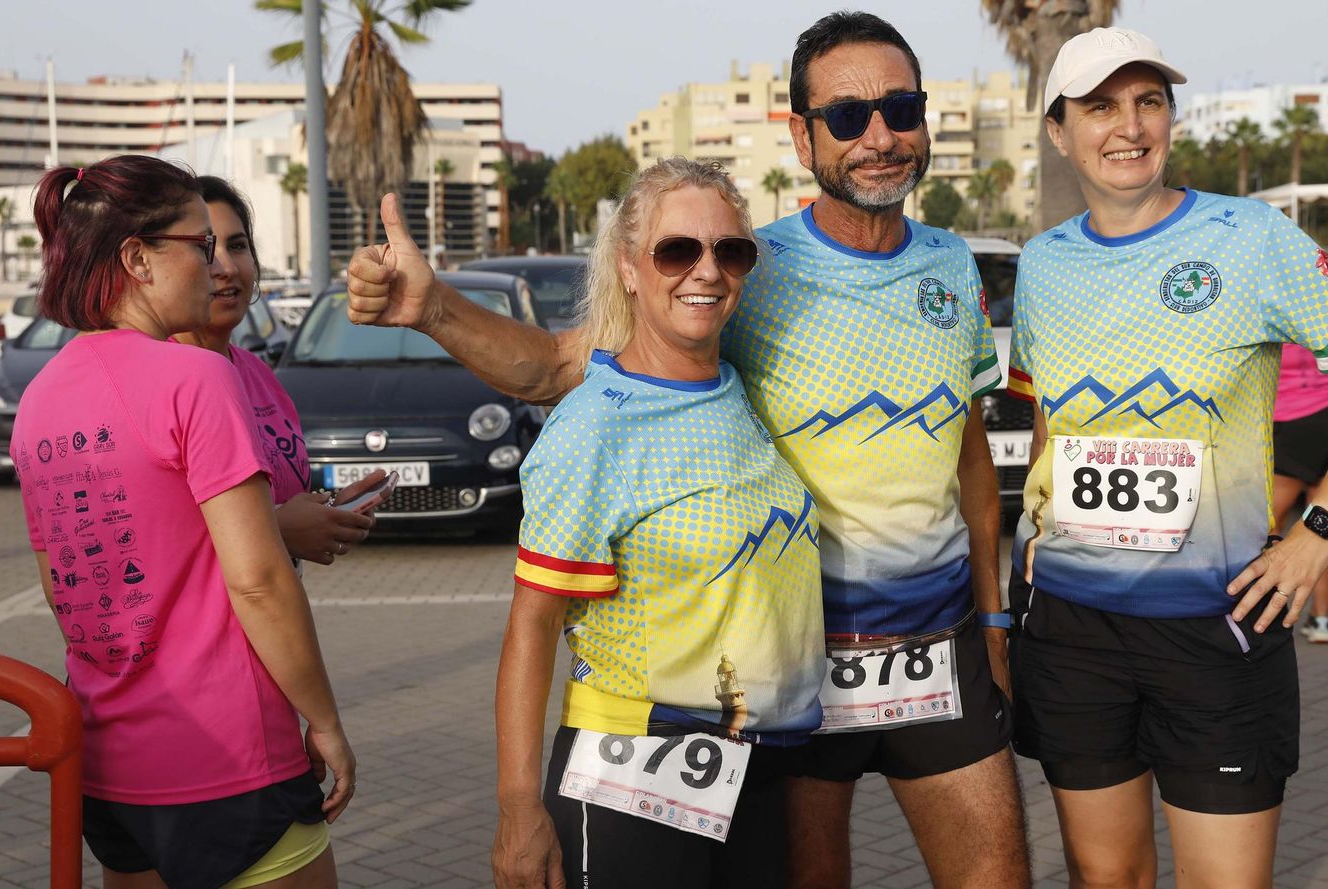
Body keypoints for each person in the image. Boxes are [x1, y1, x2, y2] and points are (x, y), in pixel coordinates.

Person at [347, 13, 1028, 886]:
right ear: (801, 134)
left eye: (901, 108)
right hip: (798, 675)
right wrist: (433, 306)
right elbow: (558, 363)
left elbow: (966, 449)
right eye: (850, 118)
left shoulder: (950, 266)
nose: (881, 137)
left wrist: (995, 613)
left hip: (939, 649)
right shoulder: (749, 264)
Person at [1003, 28, 1328, 888]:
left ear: (1169, 117)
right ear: (1058, 131)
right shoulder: (1043, 264)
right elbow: (1049, 423)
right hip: (1073, 631)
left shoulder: (1252, 236)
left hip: (1215, 621)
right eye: (1099, 106)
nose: (1128, 125)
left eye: (1148, 100)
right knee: (1104, 875)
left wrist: (1319, 532)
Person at [11, 155, 354, 889]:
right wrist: (322, 717)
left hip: (107, 766)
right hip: (232, 760)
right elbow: (259, 579)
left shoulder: (38, 398)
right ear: (137, 258)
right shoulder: (196, 378)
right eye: (200, 246)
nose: (216, 264)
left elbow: (64, 587)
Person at [491, 158, 824, 889]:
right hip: (629, 775)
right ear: (630, 269)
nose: (706, 270)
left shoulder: (736, 387)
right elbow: (532, 626)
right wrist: (519, 809)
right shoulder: (596, 427)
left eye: (729, 251)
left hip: (753, 765)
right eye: (677, 250)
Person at [171, 176, 388, 563]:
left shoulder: (259, 375)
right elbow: (147, 536)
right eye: (205, 248)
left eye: (237, 246)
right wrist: (279, 531)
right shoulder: (158, 380)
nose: (225, 267)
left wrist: (328, 510)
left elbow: (277, 501)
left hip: (270, 614)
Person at [1272, 343, 1328, 643]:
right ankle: (1320, 619)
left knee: (1268, 524)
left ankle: (1268, 611)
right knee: (1326, 520)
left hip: (1292, 413)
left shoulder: (1268, 300)